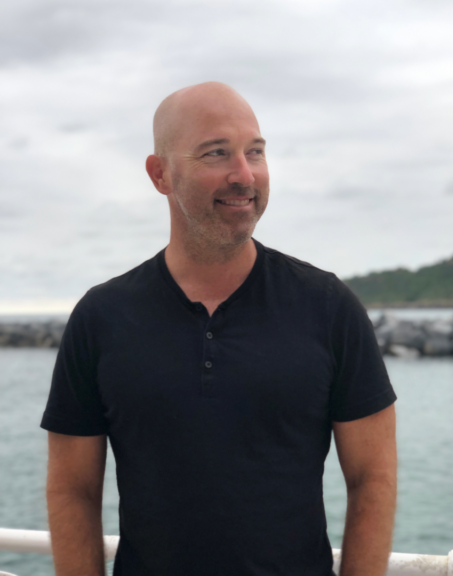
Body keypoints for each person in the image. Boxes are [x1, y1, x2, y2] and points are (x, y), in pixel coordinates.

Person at [41, 82, 397, 576]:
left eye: (255, 152)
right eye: (217, 153)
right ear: (160, 173)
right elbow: (72, 490)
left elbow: (372, 479)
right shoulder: (100, 318)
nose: (244, 174)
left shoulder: (329, 307)